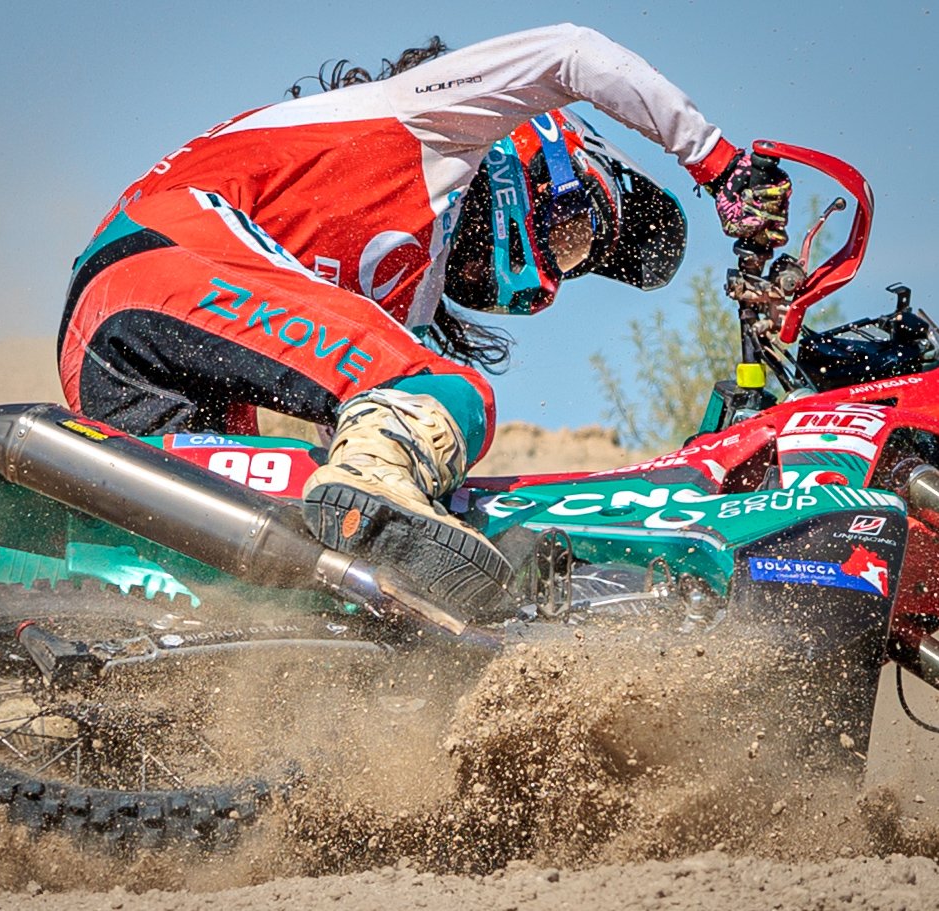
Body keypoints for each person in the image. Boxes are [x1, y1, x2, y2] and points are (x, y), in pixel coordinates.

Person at [57, 23, 791, 614]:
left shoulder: (403, 301)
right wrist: (717, 161)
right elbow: (573, 53)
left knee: (241, 575)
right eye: (571, 236)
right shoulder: (432, 117)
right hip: (161, 253)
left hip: (113, 340)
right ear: (544, 165)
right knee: (441, 393)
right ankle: (380, 504)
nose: (548, 280)